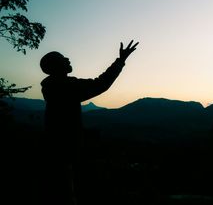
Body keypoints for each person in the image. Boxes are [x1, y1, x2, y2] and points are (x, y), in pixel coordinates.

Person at [40, 40, 139, 205]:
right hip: (65, 150)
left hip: (57, 148)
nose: (68, 59)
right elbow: (100, 84)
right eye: (63, 58)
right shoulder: (64, 86)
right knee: (68, 191)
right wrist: (120, 61)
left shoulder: (53, 87)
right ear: (57, 66)